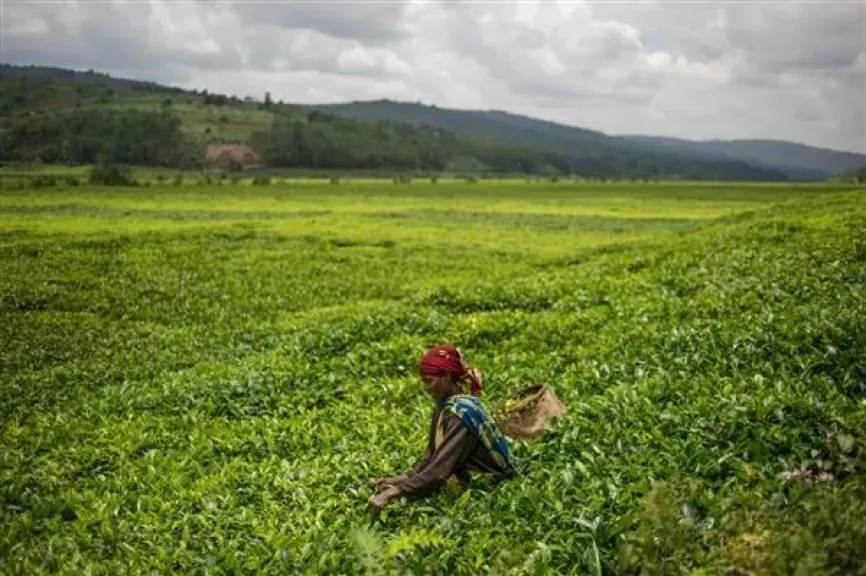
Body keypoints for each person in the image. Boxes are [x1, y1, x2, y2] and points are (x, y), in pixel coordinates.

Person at [368, 345, 517, 511]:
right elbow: (432, 454)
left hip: (489, 487)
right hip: (464, 478)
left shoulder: (461, 414)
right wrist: (399, 479)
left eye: (429, 381)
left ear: (446, 376)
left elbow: (439, 471)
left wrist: (391, 494)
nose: (426, 388)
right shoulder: (444, 405)